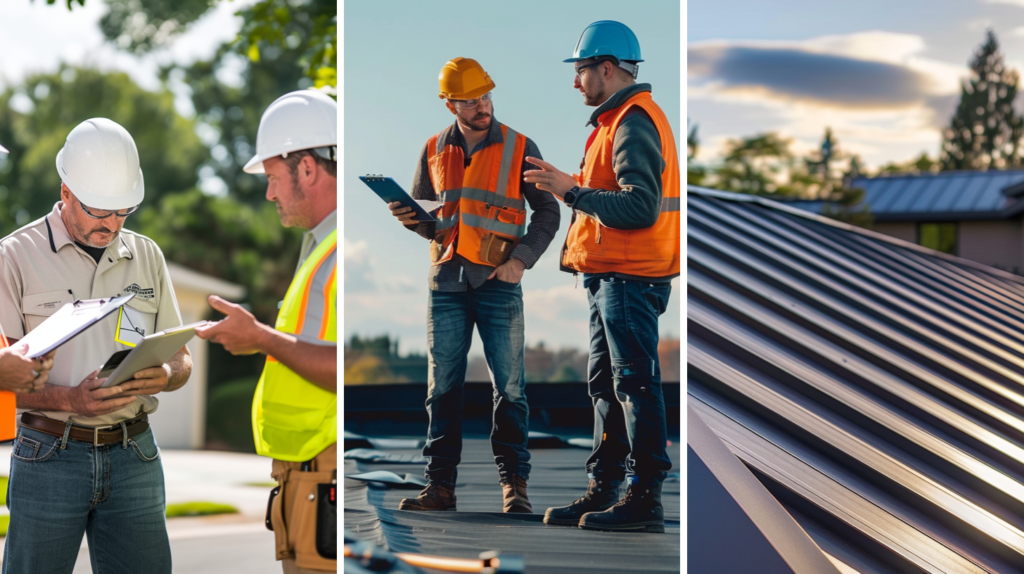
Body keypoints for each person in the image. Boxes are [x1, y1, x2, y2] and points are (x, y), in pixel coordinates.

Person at [0, 117, 193, 573]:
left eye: (123, 211)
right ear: (66, 191)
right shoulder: (13, 257)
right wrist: (69, 399)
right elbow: (2, 377)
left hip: (136, 455)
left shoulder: (147, 255)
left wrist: (165, 375)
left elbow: (181, 358)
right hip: (48, 455)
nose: (112, 224)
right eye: (99, 211)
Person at [525, 20, 680, 533]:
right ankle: (606, 489)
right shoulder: (616, 121)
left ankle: (644, 498)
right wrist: (567, 187)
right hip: (611, 278)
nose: (577, 82)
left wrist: (569, 191)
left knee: (633, 383)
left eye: (582, 70)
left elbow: (638, 208)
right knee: (607, 386)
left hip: (630, 279)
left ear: (606, 69)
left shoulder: (633, 122)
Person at [391, 58, 559, 514]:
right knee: (441, 387)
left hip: (498, 282)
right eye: (470, 101)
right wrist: (412, 220)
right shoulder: (431, 149)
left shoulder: (521, 146)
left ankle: (515, 488)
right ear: (450, 105)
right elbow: (430, 221)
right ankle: (440, 487)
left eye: (485, 96)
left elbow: (548, 212)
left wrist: (521, 261)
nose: (482, 106)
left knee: (510, 387)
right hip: (445, 281)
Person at [195, 89, 337, 574]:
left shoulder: (339, 248)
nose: (269, 192)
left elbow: (343, 366)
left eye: (273, 178)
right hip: (308, 475)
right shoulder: (320, 244)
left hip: (326, 469)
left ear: (308, 169)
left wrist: (260, 338)